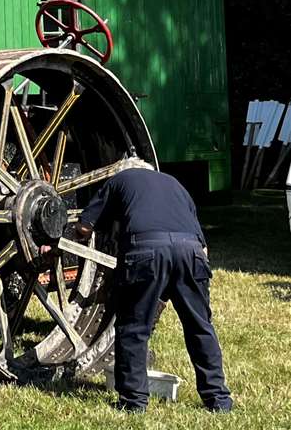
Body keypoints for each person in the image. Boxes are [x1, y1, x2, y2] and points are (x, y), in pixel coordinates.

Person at [74, 157, 233, 413]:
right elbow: (204, 245)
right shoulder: (175, 184)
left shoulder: (119, 179)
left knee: (135, 328)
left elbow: (84, 226)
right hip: (191, 252)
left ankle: (134, 402)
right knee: (200, 326)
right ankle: (218, 400)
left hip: (146, 251)